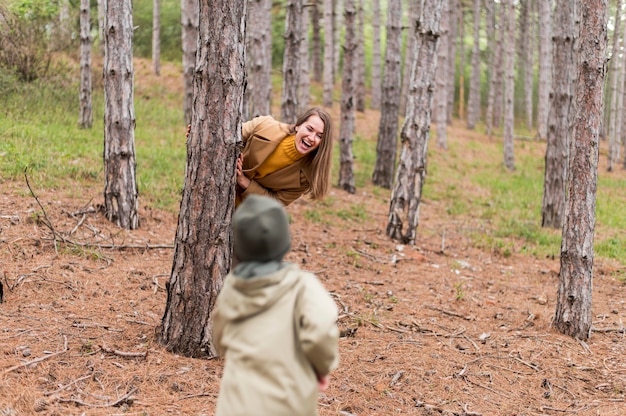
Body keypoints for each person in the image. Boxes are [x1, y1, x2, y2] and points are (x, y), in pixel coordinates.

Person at [211, 194, 339, 416]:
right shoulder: (302, 286)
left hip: (236, 405)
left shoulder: (232, 288)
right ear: (284, 240)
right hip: (289, 404)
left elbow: (220, 336)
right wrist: (321, 367)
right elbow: (320, 331)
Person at [236, 107, 334, 206]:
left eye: (319, 136)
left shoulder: (305, 177)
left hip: (244, 213)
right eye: (309, 129)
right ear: (298, 126)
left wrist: (245, 182)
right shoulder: (264, 125)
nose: (312, 138)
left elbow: (275, 203)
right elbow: (230, 138)